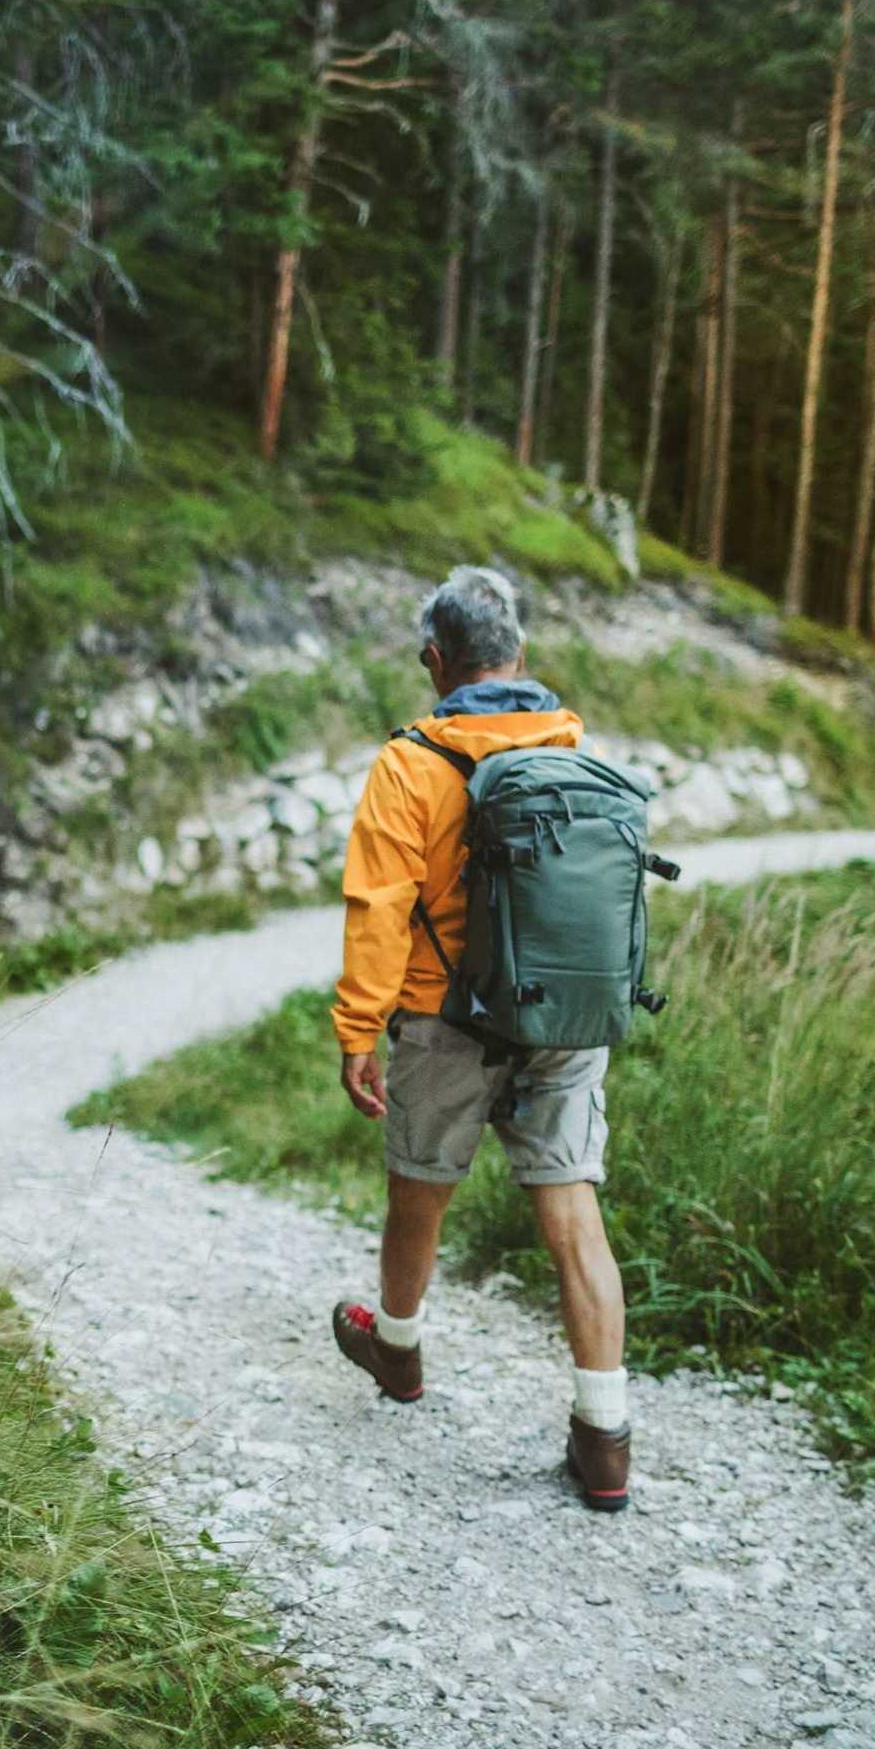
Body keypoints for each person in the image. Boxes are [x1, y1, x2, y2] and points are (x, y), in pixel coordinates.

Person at [326, 566, 633, 1511]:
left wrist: (357, 1029)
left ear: (434, 661)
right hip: (566, 1017)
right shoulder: (573, 746)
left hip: (442, 1020)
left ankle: (401, 1350)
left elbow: (379, 908)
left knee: (419, 1193)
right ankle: (604, 1436)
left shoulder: (411, 764)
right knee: (572, 1213)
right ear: (520, 657)